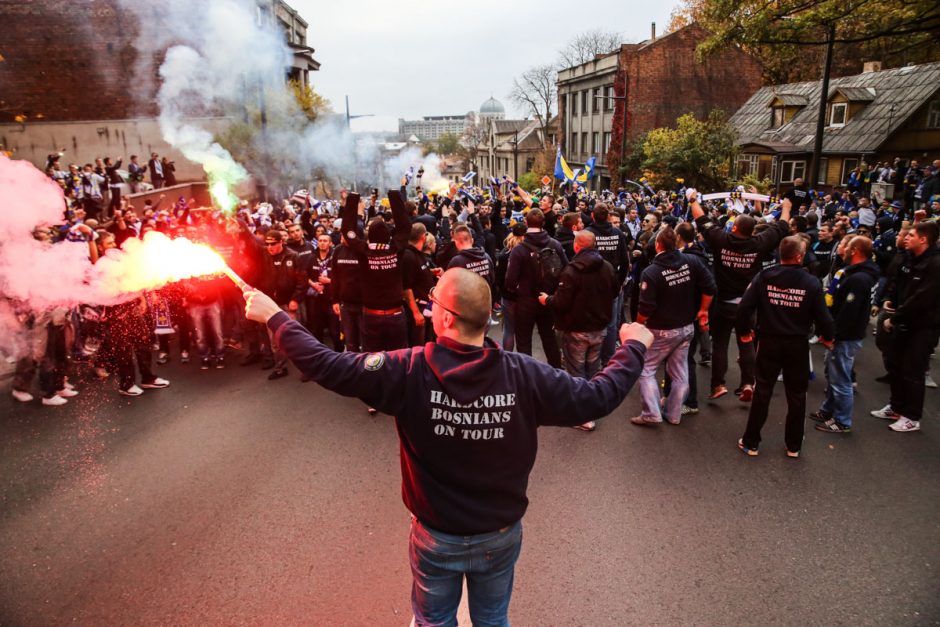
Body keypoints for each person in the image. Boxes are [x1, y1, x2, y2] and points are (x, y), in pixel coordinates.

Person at [242, 268, 653, 626]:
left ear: (445, 317)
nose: (429, 303)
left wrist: (277, 318)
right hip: (499, 533)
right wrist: (633, 345)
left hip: (436, 536)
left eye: (434, 299)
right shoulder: (524, 375)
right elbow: (597, 397)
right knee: (492, 620)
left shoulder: (409, 369)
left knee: (434, 621)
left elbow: (326, 365)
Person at [688, 190, 791, 402]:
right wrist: (787, 207)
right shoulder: (759, 243)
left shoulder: (721, 240)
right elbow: (781, 227)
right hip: (747, 305)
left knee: (721, 344)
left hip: (724, 304)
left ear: (734, 227)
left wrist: (692, 200)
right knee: (746, 341)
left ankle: (718, 385)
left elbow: (701, 219)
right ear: (752, 231)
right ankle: (747, 383)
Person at [736, 236, 834, 458]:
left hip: (769, 341)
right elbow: (823, 317)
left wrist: (744, 331)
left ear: (781, 254)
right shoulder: (811, 282)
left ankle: (751, 442)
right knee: (797, 394)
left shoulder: (764, 277)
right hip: (797, 344)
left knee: (763, 390)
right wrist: (828, 337)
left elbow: (744, 308)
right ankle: (794, 445)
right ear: (799, 256)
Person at [632, 226, 715, 426]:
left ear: (658, 245)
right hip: (686, 328)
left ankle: (651, 413)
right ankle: (674, 413)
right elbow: (710, 286)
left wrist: (637, 325)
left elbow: (646, 308)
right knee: (680, 372)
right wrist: (703, 310)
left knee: (646, 370)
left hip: (661, 330)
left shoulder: (651, 272)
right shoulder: (691, 261)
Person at [539, 230, 620, 431]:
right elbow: (616, 291)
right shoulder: (607, 267)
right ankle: (593, 407)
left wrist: (546, 299)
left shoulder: (571, 271)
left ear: (577, 246)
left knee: (576, 373)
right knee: (592, 369)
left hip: (576, 331)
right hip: (599, 330)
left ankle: (583, 417)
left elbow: (561, 303)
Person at [871, 221, 940, 432]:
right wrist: (889, 299)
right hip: (902, 321)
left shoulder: (936, 264)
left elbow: (922, 298)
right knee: (896, 365)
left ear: (923, 239)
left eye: (911, 235)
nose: (906, 237)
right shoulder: (908, 258)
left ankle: (911, 417)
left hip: (923, 326)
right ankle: (896, 406)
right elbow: (896, 282)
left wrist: (895, 318)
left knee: (913, 371)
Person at [810, 237, 879, 433]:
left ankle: (842, 421)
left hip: (846, 337)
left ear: (856, 250)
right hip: (843, 334)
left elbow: (848, 313)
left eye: (847, 246)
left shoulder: (859, 279)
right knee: (833, 374)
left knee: (841, 379)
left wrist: (832, 335)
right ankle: (828, 410)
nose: (843, 249)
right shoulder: (856, 273)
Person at [504, 210, 567, 367]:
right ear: (543, 223)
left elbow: (510, 281)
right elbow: (566, 270)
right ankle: (556, 372)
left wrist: (517, 290)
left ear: (526, 223)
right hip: (548, 299)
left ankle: (528, 375)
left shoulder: (519, 250)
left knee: (524, 341)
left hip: (525, 301)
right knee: (549, 338)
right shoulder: (555, 244)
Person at [586, 203, 631, 365]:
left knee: (594, 322)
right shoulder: (617, 233)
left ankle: (594, 359)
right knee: (611, 323)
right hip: (613, 284)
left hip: (593, 286)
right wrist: (619, 283)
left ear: (593, 216)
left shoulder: (588, 234)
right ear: (608, 217)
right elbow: (626, 261)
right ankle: (608, 359)